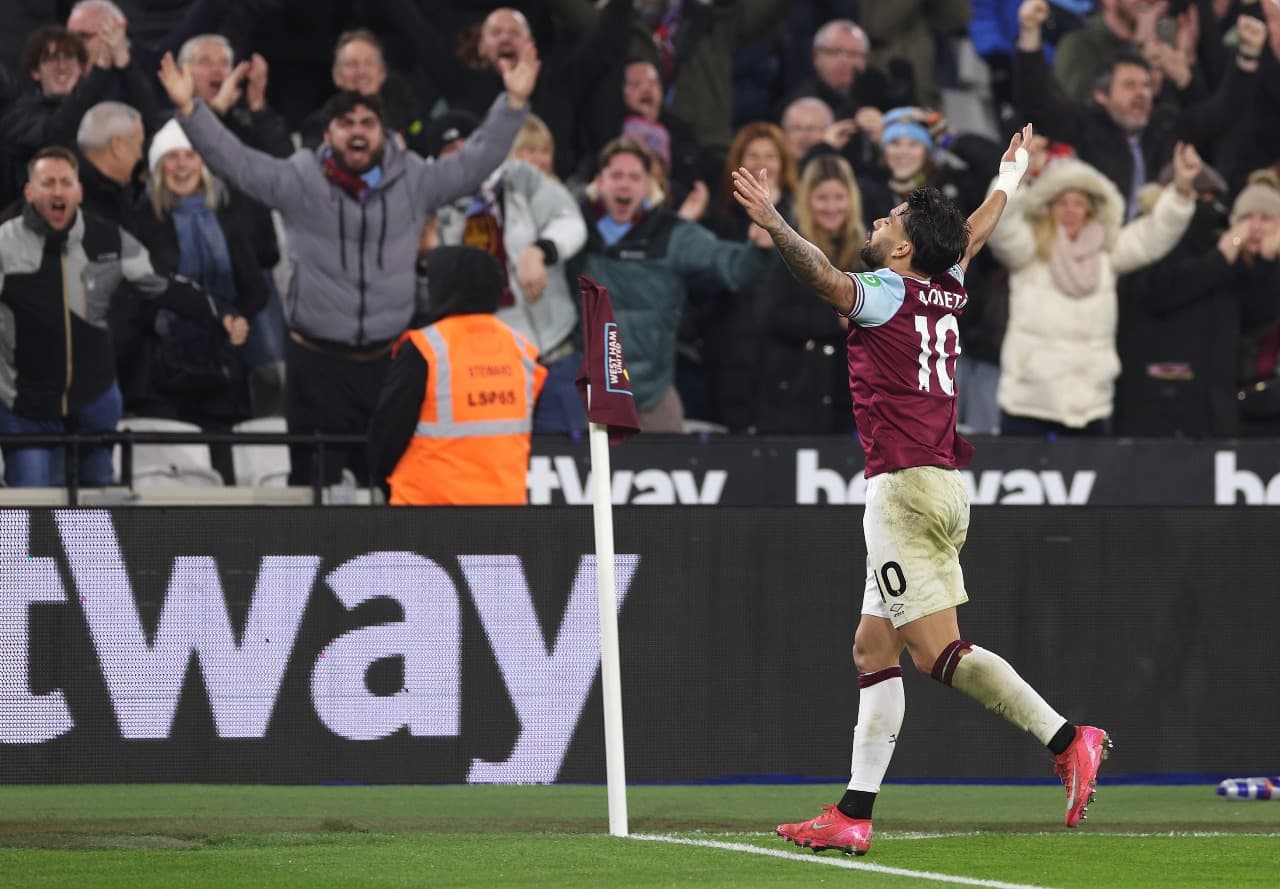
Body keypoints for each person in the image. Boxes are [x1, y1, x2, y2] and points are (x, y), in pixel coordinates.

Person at [730, 123, 1110, 856]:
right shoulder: (948, 279)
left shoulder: (884, 292)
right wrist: (1013, 171)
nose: (876, 223)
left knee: (938, 651)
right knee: (873, 646)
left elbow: (822, 279)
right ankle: (853, 810)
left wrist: (775, 220)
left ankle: (1068, 737)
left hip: (903, 490)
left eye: (888, 221)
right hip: (935, 481)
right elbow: (975, 229)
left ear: (903, 248)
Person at [157, 44, 538, 486]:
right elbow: (235, 162)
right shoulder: (297, 180)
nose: (357, 133)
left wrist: (513, 105)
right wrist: (190, 109)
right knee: (311, 492)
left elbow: (476, 162)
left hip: (390, 363)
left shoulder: (415, 181)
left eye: (367, 124)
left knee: (392, 486)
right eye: (345, 124)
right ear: (328, 133)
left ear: (382, 131)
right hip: (314, 364)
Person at [0, 146, 247, 487]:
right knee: (22, 516)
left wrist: (222, 315)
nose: (57, 191)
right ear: (29, 191)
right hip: (25, 408)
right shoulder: (4, 245)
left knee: (93, 513)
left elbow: (163, 285)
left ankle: (89, 544)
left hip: (94, 403)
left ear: (79, 190)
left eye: (65, 182)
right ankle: (20, 544)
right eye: (47, 183)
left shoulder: (109, 239)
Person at [573, 136, 776, 433]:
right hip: (588, 394)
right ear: (600, 181)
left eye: (634, 177)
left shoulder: (672, 234)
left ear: (648, 185)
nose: (624, 185)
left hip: (654, 398)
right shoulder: (576, 230)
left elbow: (734, 268)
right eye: (616, 175)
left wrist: (761, 248)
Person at [989, 150, 1199, 436]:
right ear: (1049, 207)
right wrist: (1015, 178)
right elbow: (1001, 225)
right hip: (1028, 404)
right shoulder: (1029, 251)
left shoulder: (1106, 254)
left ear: (1092, 209)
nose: (1070, 210)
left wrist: (1181, 191)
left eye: (1079, 203)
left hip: (1090, 406)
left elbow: (1152, 235)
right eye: (1062, 202)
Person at [431, 131, 588, 435]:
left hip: (554, 354)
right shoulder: (437, 204)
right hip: (491, 367)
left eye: (466, 147)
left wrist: (541, 250)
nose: (461, 156)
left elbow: (571, 221)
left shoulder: (520, 178)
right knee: (501, 462)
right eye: (449, 151)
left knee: (566, 465)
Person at [368, 246, 546, 505]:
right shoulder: (523, 349)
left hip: (427, 510)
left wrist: (379, 476)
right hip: (503, 511)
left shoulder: (426, 348)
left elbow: (388, 431)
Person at [138, 118, 270, 426]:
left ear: (204, 162)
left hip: (222, 357)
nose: (182, 165)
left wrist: (238, 319)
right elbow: (139, 290)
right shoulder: (143, 217)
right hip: (163, 364)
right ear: (159, 166)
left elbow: (255, 287)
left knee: (223, 460)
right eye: (172, 156)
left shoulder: (229, 212)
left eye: (191, 154)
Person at [755, 153, 865, 434]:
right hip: (793, 395)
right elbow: (768, 315)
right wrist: (836, 319)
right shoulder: (785, 245)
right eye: (822, 198)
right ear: (807, 200)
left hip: (850, 398)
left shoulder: (867, 251)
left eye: (839, 197)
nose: (831, 207)